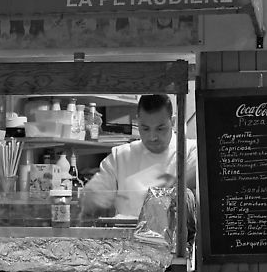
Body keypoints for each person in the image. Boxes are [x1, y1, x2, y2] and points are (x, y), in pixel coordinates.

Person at [80, 94, 197, 232]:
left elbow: (186, 201)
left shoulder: (189, 151)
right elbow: (93, 201)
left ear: (172, 121)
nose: (152, 137)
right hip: (125, 244)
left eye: (160, 128)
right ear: (137, 122)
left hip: (170, 244)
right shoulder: (120, 156)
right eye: (145, 128)